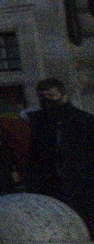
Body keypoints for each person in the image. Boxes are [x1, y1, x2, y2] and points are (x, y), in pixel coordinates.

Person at [25, 77, 94, 226]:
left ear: (62, 95)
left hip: (80, 184)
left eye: (51, 95)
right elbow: (34, 153)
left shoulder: (84, 121)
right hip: (49, 185)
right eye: (43, 96)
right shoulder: (37, 122)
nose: (47, 100)